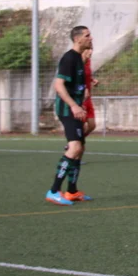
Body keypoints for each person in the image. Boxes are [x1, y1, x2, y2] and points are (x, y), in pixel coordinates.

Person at [45, 25, 93, 206]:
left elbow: (75, 86)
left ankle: (72, 191)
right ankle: (53, 191)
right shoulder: (69, 58)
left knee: (80, 149)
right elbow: (59, 85)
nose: (91, 38)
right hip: (67, 110)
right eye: (87, 35)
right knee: (74, 148)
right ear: (77, 39)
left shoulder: (79, 59)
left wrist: (81, 99)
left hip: (76, 108)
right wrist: (73, 106)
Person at [81, 47, 99, 139]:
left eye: (91, 49)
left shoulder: (88, 61)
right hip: (80, 98)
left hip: (88, 98)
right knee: (81, 125)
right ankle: (75, 143)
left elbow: (87, 75)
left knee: (92, 125)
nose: (91, 52)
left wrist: (92, 80)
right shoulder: (76, 63)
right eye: (88, 49)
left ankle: (78, 141)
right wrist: (83, 88)